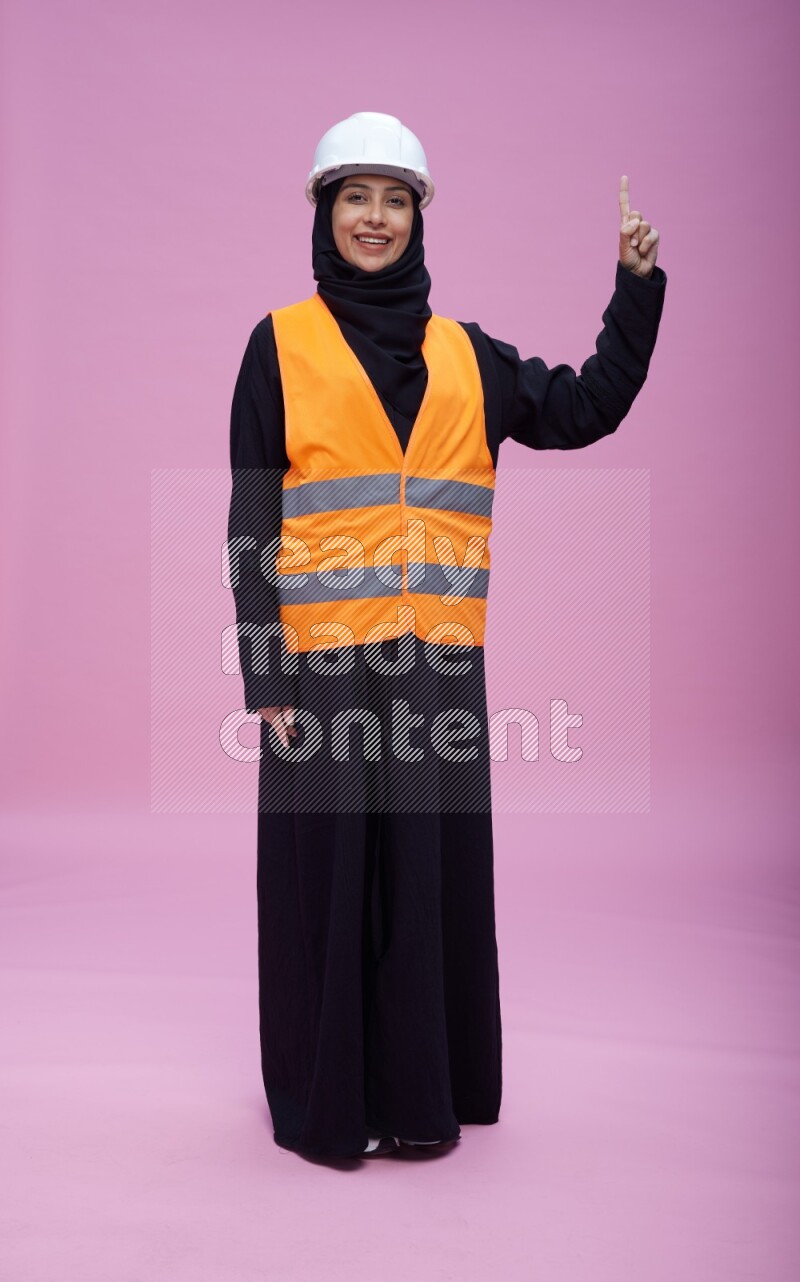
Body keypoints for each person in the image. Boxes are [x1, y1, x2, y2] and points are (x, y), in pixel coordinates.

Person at [227, 111, 667, 1160]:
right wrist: (264, 675)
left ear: (418, 218)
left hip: (435, 671)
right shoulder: (278, 345)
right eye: (355, 197)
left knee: (426, 879)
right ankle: (332, 1106)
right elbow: (252, 519)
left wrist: (635, 289)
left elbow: (586, 407)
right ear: (325, 212)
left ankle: (422, 1101)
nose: (374, 218)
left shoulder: (471, 357)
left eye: (394, 199)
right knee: (331, 880)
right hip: (321, 675)